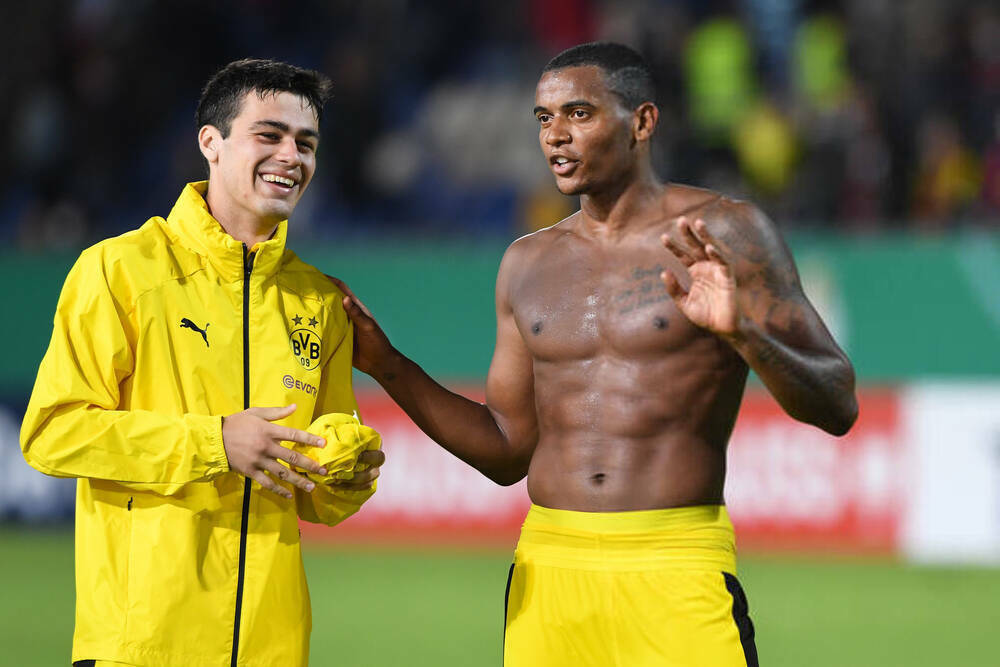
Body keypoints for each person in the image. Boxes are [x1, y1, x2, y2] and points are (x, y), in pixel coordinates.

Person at [334, 42, 857, 666]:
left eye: (579, 114)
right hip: (548, 575)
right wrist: (388, 366)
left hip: (677, 568)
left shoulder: (725, 232)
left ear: (642, 122)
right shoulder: (525, 263)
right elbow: (505, 452)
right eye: (543, 118)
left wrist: (745, 332)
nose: (554, 135)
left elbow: (838, 403)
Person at [20, 59, 384, 667]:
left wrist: (345, 474)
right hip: (142, 645)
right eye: (269, 135)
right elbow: (52, 433)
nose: (291, 156)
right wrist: (215, 442)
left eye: (306, 143)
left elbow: (317, 498)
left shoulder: (320, 300)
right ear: (210, 143)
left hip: (273, 647)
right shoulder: (118, 270)